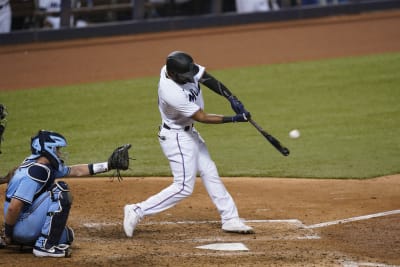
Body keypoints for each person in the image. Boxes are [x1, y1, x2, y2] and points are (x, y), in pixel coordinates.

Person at [123, 51, 254, 237]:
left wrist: (231, 97)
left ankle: (230, 218)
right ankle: (137, 210)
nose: (190, 78)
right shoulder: (169, 91)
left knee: (210, 171)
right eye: (186, 77)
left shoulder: (182, 67)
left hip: (189, 132)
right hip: (176, 137)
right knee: (184, 186)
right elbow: (202, 117)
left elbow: (207, 78)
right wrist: (235, 118)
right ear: (174, 74)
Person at [2, 130, 129, 257]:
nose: (59, 153)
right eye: (57, 149)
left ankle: (27, 240)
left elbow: (76, 171)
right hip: (20, 225)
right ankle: (45, 247)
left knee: (66, 236)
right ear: (49, 149)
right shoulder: (37, 172)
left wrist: (108, 165)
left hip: (20, 223)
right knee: (60, 190)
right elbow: (14, 207)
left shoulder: (40, 165)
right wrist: (8, 233)